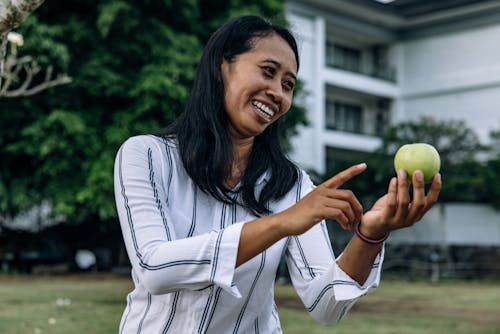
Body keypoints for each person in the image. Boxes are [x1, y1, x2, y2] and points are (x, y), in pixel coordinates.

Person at [114, 15, 441, 333]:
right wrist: (282, 222)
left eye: (288, 84)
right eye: (268, 72)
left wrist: (370, 235)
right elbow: (154, 268)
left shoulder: (293, 186)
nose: (278, 93)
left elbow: (326, 305)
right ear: (221, 66)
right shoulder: (145, 155)